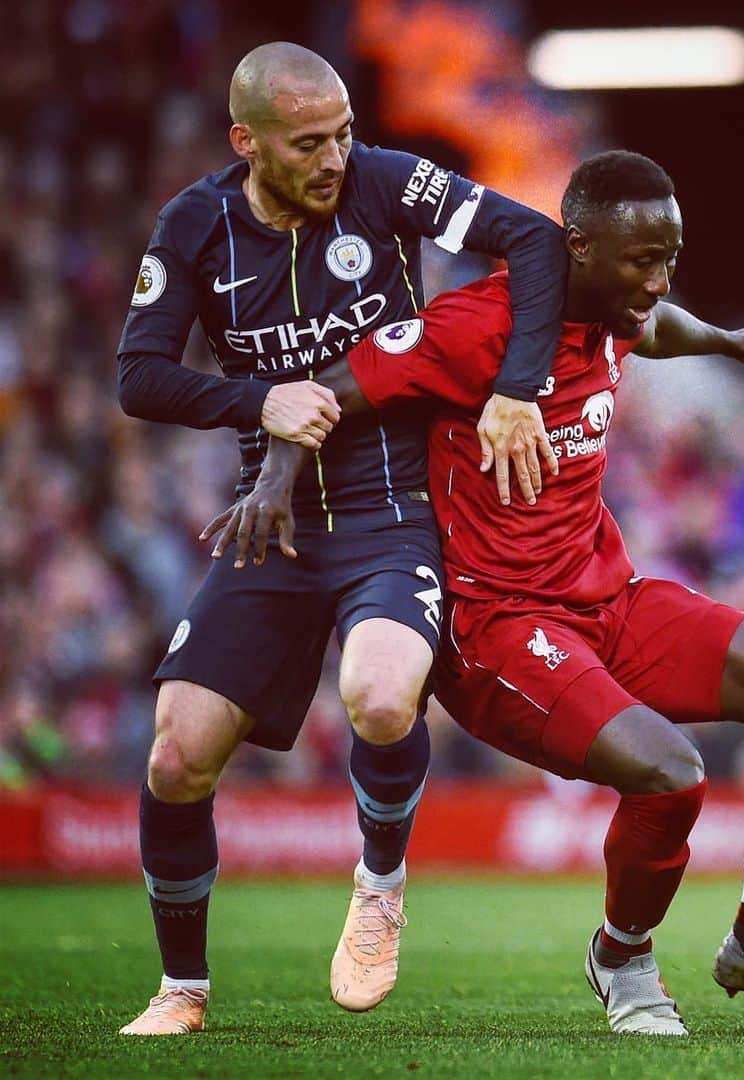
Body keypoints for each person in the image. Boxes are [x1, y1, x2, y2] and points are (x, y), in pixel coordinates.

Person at [206, 151, 744, 1036]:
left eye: (670, 258)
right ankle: (624, 959)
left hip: (609, 597)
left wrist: (726, 339)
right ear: (575, 247)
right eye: (641, 261)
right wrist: (270, 482)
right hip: (499, 628)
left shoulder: (618, 308)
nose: (658, 280)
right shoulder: (476, 326)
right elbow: (327, 390)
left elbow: (657, 326)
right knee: (669, 777)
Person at [115, 41, 568, 1036]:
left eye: (344, 135)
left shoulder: (384, 182)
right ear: (249, 143)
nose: (334, 159)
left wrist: (515, 390)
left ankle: (380, 883)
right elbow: (138, 376)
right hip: (268, 526)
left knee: (378, 694)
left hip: (391, 511)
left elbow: (533, 239)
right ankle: (180, 992)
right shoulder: (196, 225)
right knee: (177, 756)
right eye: (310, 143)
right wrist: (257, 399)